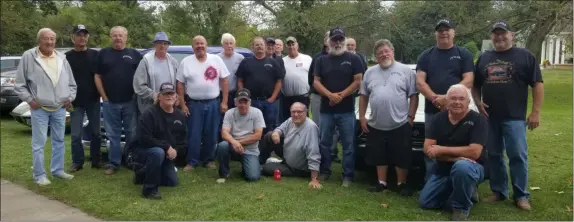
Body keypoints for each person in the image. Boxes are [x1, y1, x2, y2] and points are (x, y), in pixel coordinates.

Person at [473, 20, 544, 211]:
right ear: (491, 37)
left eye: (503, 33)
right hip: (490, 117)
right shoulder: (484, 57)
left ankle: (521, 195)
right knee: (494, 155)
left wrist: (535, 112)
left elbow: (537, 83)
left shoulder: (525, 56)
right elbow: (475, 84)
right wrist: (478, 102)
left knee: (517, 156)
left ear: (511, 35)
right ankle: (499, 191)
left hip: (515, 117)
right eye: (495, 33)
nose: (499, 36)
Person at [14, 28, 77, 185]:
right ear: (39, 40)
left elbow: (72, 84)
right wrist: (30, 100)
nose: (49, 42)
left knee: (59, 140)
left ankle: (57, 171)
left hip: (60, 107)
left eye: (52, 39)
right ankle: (39, 175)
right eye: (46, 39)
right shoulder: (29, 57)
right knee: (39, 143)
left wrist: (70, 98)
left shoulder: (62, 58)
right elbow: (20, 85)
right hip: (40, 108)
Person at [415, 19, 475, 182]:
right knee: (431, 149)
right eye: (440, 30)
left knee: (459, 147)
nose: (443, 33)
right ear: (435, 34)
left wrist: (447, 99)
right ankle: (432, 182)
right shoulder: (426, 55)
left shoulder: (463, 54)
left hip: (459, 111)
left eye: (447, 29)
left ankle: (462, 181)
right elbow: (420, 82)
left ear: (453, 32)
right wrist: (435, 99)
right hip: (433, 110)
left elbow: (469, 80)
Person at [419, 84, 487, 221]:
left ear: (468, 102)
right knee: (426, 202)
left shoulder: (479, 120)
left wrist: (441, 150)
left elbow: (474, 152)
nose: (457, 102)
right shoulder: (438, 118)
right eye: (453, 98)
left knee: (462, 167)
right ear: (447, 101)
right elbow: (428, 148)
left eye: (461, 99)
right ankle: (465, 190)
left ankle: (461, 208)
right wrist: (455, 158)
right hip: (444, 168)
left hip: (473, 167)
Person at [359, 39, 418, 196]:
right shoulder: (369, 73)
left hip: (400, 122)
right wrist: (363, 117)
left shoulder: (406, 71)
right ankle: (381, 183)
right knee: (379, 154)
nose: (383, 54)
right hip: (376, 122)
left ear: (392, 52)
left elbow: (413, 95)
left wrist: (411, 117)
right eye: (380, 53)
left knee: (401, 154)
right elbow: (363, 96)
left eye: (386, 51)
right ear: (376, 57)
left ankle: (401, 184)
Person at [313, 27, 363, 187]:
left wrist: (340, 95)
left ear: (345, 40)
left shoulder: (354, 59)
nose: (338, 42)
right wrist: (330, 96)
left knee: (348, 145)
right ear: (329, 41)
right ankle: (325, 171)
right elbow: (316, 82)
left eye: (341, 39)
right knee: (324, 142)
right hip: (326, 110)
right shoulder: (321, 60)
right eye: (335, 39)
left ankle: (347, 175)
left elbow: (357, 81)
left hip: (347, 110)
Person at [176, 35, 230, 171]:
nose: (199, 46)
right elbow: (180, 85)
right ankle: (192, 161)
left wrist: (224, 102)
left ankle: (209, 159)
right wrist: (182, 104)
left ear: (206, 46)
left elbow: (224, 81)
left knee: (211, 133)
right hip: (194, 104)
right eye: (197, 44)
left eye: (202, 44)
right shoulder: (186, 62)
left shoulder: (216, 60)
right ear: (192, 47)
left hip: (213, 103)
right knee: (194, 133)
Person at [95, 26, 143, 175]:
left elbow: (142, 76)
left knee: (132, 134)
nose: (118, 38)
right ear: (111, 37)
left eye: (120, 35)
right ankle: (113, 163)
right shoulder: (103, 54)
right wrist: (104, 97)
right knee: (113, 135)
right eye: (115, 35)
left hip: (130, 101)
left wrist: (137, 95)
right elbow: (97, 76)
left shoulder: (134, 54)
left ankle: (131, 160)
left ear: (126, 37)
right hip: (110, 102)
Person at [135, 82, 185, 199]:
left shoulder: (180, 116)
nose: (169, 96)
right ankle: (149, 190)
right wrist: (167, 147)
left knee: (172, 181)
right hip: (145, 150)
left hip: (166, 154)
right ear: (159, 97)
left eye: (171, 93)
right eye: (165, 94)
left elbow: (183, 140)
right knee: (158, 152)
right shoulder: (149, 114)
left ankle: (143, 174)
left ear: (176, 96)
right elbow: (144, 138)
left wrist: (176, 151)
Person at [65, 25, 102, 172]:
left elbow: (100, 76)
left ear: (87, 37)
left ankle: (96, 161)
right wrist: (66, 98)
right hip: (75, 101)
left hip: (93, 99)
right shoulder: (67, 57)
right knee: (75, 134)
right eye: (79, 35)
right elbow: (63, 79)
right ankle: (77, 162)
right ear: (73, 37)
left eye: (84, 35)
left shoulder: (95, 55)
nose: (82, 37)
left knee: (96, 132)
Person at [260, 102, 322, 189]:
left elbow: (314, 153)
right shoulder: (290, 120)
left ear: (306, 112)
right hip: (288, 157)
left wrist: (314, 179)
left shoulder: (311, 128)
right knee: (270, 135)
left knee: (266, 169)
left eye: (299, 112)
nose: (296, 114)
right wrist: (276, 133)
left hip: (297, 168)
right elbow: (280, 128)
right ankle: (262, 161)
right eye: (293, 112)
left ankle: (273, 164)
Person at [236, 37, 284, 137]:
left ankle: (267, 151)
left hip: (269, 102)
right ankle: (252, 149)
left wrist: (273, 98)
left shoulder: (273, 62)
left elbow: (279, 81)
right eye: (257, 45)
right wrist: (244, 97)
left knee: (269, 128)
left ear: (265, 46)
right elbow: (240, 80)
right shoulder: (246, 62)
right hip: (252, 102)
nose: (259, 47)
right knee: (252, 127)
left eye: (261, 44)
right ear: (252, 47)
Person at [216, 88, 265, 183]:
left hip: (250, 150)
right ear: (235, 102)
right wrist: (234, 143)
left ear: (250, 102)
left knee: (253, 177)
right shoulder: (229, 113)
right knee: (222, 146)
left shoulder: (257, 113)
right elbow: (224, 133)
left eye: (245, 102)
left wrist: (238, 142)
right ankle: (224, 173)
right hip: (233, 147)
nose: (243, 105)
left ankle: (246, 165)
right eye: (240, 102)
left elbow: (258, 136)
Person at [308, 31, 342, 163]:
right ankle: (318, 152)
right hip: (319, 97)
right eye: (327, 37)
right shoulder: (317, 57)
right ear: (325, 41)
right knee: (318, 125)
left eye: (332, 38)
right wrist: (323, 93)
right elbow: (311, 78)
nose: (330, 40)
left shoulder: (342, 57)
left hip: (338, 98)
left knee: (335, 128)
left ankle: (333, 152)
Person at [133, 32, 179, 114]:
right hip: (150, 106)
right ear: (154, 45)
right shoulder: (145, 61)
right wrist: (154, 96)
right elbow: (138, 85)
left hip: (169, 106)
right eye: (159, 43)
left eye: (165, 43)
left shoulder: (173, 62)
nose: (162, 46)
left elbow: (179, 83)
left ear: (168, 45)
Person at [280, 36, 313, 123]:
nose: (291, 47)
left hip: (303, 97)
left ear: (297, 45)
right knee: (287, 122)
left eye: (293, 44)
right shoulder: (282, 61)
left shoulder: (308, 59)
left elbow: (314, 76)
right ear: (286, 47)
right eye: (289, 45)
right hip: (287, 99)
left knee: (304, 121)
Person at [217, 33, 245, 110]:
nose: (229, 46)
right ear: (222, 45)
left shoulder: (240, 58)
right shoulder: (217, 58)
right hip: (220, 94)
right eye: (226, 43)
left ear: (234, 45)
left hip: (234, 94)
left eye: (231, 43)